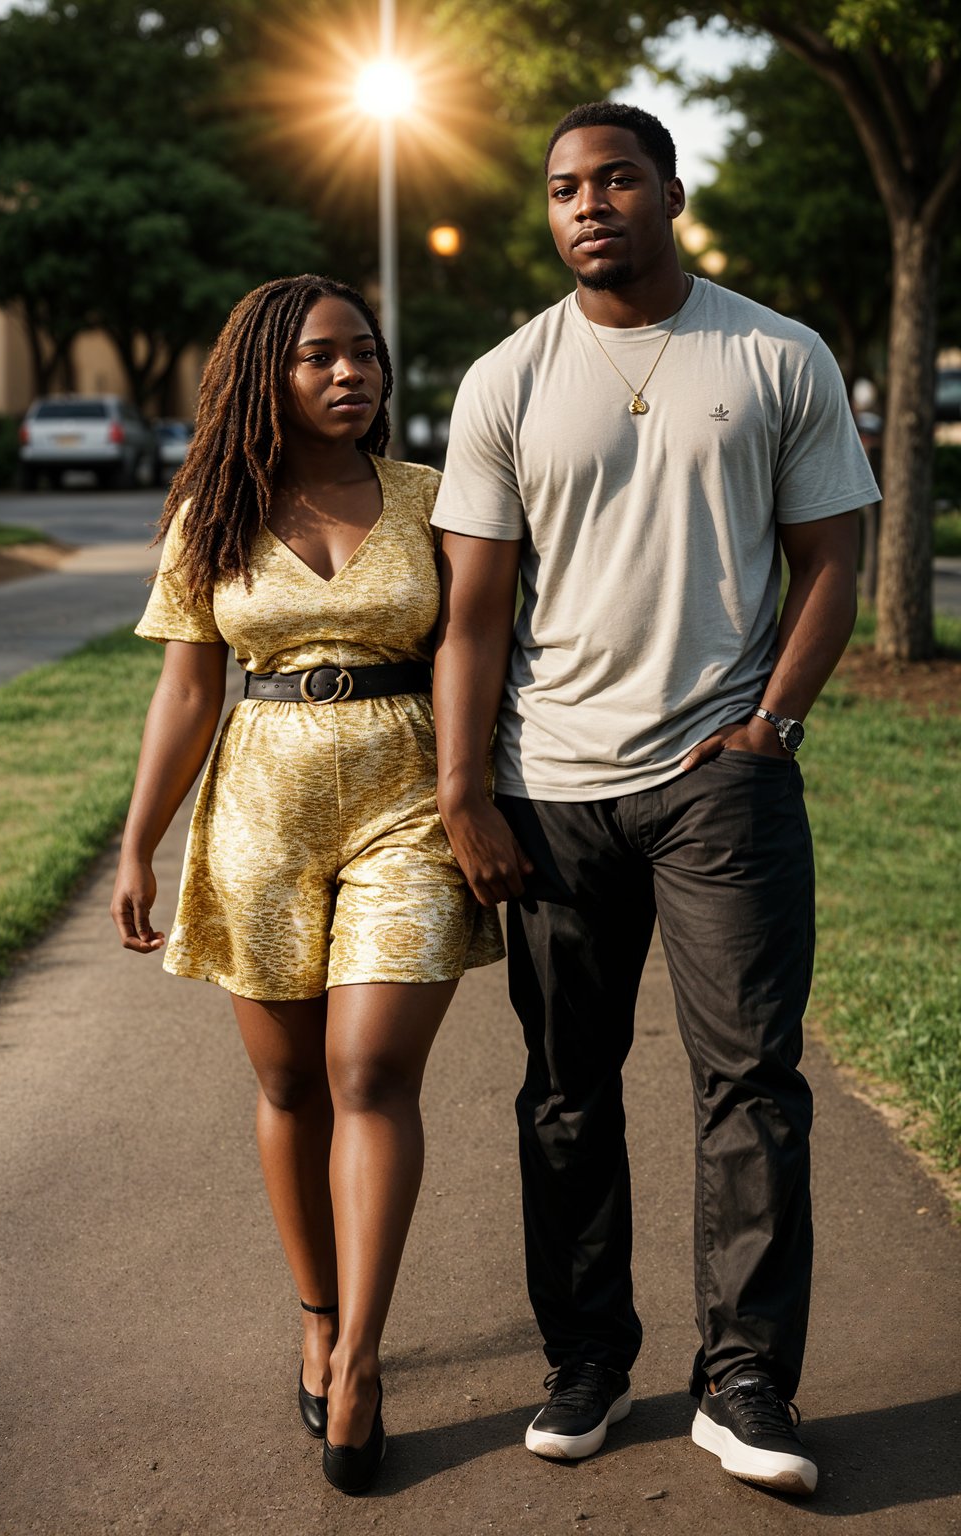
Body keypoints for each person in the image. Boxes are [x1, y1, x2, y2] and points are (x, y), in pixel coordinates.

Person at [430, 102, 879, 1497]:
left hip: (719, 787)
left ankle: (745, 1384)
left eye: (615, 178)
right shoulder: (505, 379)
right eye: (563, 188)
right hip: (550, 786)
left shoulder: (775, 352)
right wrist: (464, 791)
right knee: (565, 1091)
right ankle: (587, 1359)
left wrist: (772, 726)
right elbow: (471, 619)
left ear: (670, 192)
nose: (587, 205)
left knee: (750, 1079)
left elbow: (832, 562)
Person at [110, 274, 503, 1495]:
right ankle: (316, 1313)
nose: (353, 375)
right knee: (288, 1086)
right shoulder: (211, 515)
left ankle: (366, 1361)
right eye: (323, 357)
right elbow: (187, 691)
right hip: (260, 811)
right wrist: (138, 842)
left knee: (369, 1073)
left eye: (368, 357)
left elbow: (472, 648)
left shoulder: (432, 499)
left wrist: (465, 792)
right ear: (264, 376)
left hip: (404, 804)